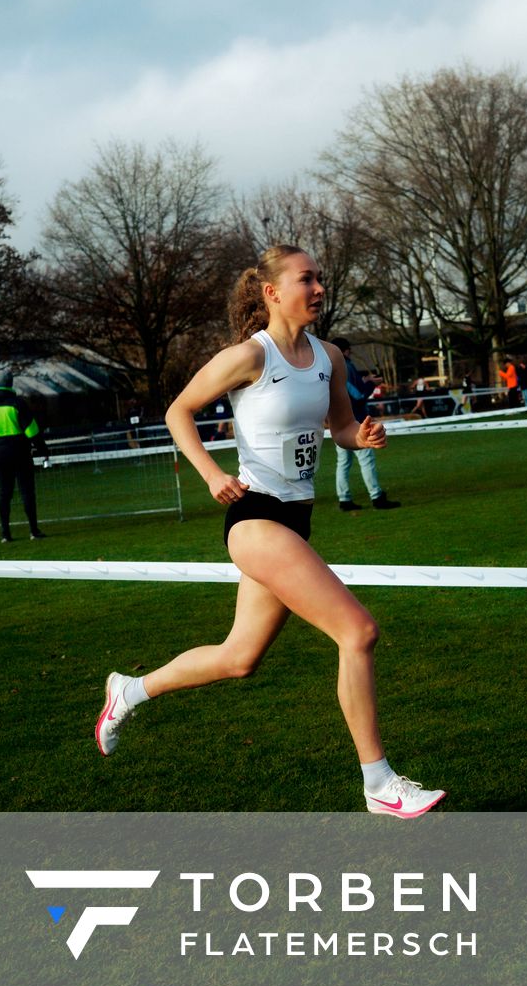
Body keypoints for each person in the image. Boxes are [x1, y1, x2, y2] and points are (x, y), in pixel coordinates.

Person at [95, 245, 445, 818]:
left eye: (321, 279)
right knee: (357, 632)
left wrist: (366, 436)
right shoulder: (248, 357)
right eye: (307, 279)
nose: (319, 288)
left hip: (296, 520)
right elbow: (177, 412)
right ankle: (379, 784)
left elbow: (340, 429)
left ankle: (128, 691)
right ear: (273, 292)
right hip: (254, 518)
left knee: (239, 657)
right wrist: (211, 475)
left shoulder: (328, 356)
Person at [332, 337, 399, 513]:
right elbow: (359, 394)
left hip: (338, 422)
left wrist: (364, 380)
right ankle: (376, 496)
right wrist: (370, 383)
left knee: (343, 463)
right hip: (356, 422)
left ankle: (344, 498)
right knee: (366, 460)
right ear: (346, 350)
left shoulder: (332, 366)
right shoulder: (345, 366)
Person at [0, 377, 45, 542]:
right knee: (27, 492)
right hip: (21, 452)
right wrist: (43, 450)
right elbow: (32, 431)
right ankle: (33, 531)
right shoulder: (17, 403)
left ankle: (5, 534)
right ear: (10, 386)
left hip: (0, 454)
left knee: (4, 494)